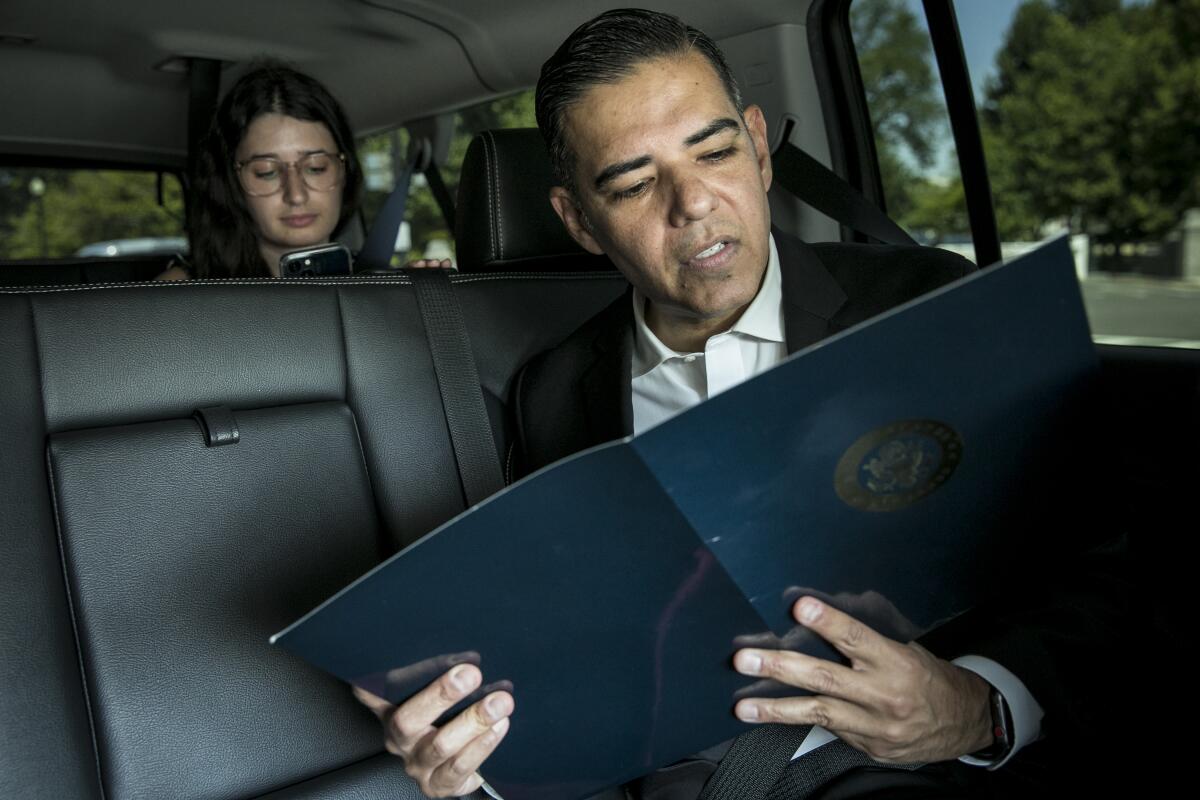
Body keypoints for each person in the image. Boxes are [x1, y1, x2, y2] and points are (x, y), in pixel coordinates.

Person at [356, 9, 1128, 799]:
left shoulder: (931, 308)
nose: (692, 202)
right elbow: (564, 641)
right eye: (632, 183)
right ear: (579, 221)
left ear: (760, 147)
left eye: (716, 151)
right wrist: (476, 755)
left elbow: (1114, 565)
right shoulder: (553, 389)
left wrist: (979, 706)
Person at [159, 59, 364, 280]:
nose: (296, 195)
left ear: (344, 170)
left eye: (316, 168)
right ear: (231, 181)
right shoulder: (182, 294)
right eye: (267, 172)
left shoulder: (384, 287)